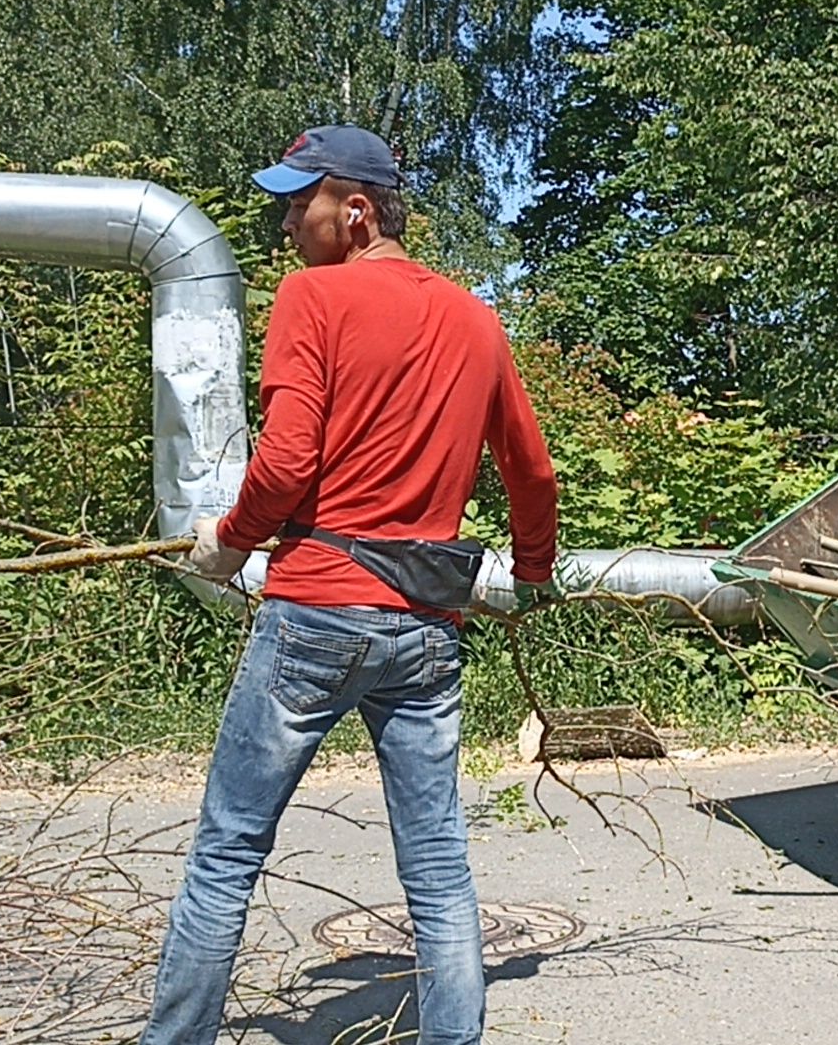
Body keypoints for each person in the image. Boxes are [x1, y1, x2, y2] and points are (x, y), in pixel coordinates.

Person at [143, 125, 559, 1045]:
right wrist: (532, 576)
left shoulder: (314, 296)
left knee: (226, 855)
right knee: (440, 866)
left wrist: (230, 541)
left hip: (316, 615)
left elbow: (289, 458)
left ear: (355, 209)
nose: (287, 221)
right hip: (426, 628)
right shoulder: (477, 320)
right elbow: (532, 474)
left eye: (301, 202)